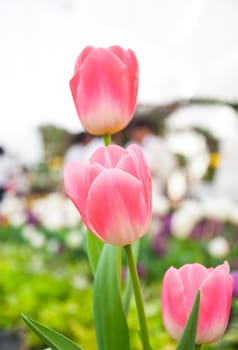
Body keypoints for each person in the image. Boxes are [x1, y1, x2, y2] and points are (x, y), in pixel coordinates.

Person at [126, 117, 176, 196]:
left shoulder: (156, 143)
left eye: (136, 131)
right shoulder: (130, 145)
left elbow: (168, 163)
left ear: (145, 130)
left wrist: (154, 171)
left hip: (156, 182)